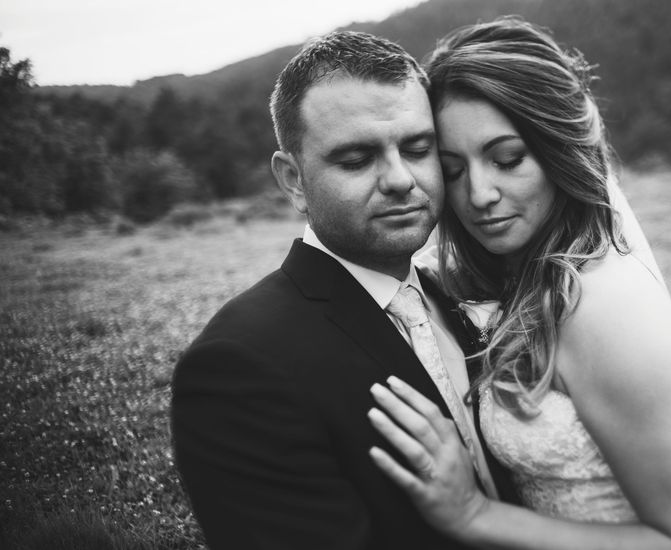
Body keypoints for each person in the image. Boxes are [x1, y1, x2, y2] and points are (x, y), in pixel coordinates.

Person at [367, 17, 671, 550]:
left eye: (507, 159)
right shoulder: (524, 281)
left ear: (560, 150)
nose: (479, 194)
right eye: (453, 170)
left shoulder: (604, 307)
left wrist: (473, 516)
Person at [170, 30, 522, 549]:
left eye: (418, 148)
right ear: (293, 181)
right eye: (357, 160)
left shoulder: (446, 296)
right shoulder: (237, 366)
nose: (401, 179)